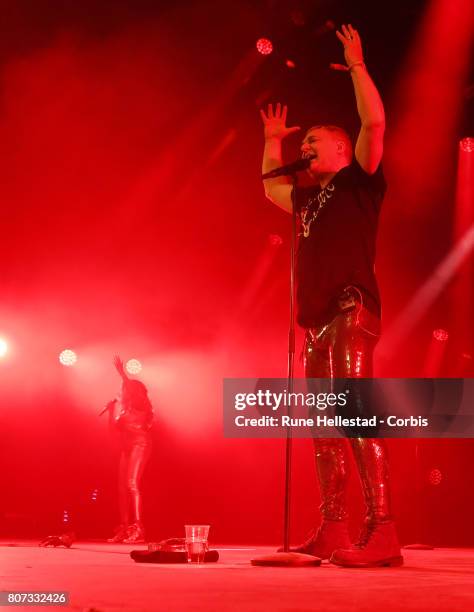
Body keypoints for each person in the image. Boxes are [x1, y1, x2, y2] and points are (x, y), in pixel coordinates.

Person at [260, 24, 403, 567]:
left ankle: (383, 530)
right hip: (317, 322)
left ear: (342, 150)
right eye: (304, 143)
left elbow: (376, 121)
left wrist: (359, 66)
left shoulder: (358, 183)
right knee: (324, 429)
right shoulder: (305, 199)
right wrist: (273, 140)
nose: (306, 147)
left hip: (351, 308)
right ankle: (333, 529)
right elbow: (270, 186)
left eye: (313, 142)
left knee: (354, 417)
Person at [103, 356, 153, 544]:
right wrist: (110, 411)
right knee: (121, 488)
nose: (122, 391)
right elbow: (112, 431)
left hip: (141, 445)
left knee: (132, 484)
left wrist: (122, 373)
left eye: (124, 389)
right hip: (126, 448)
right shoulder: (123, 410)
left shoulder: (141, 404)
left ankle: (139, 527)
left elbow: (132, 389)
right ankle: (125, 527)